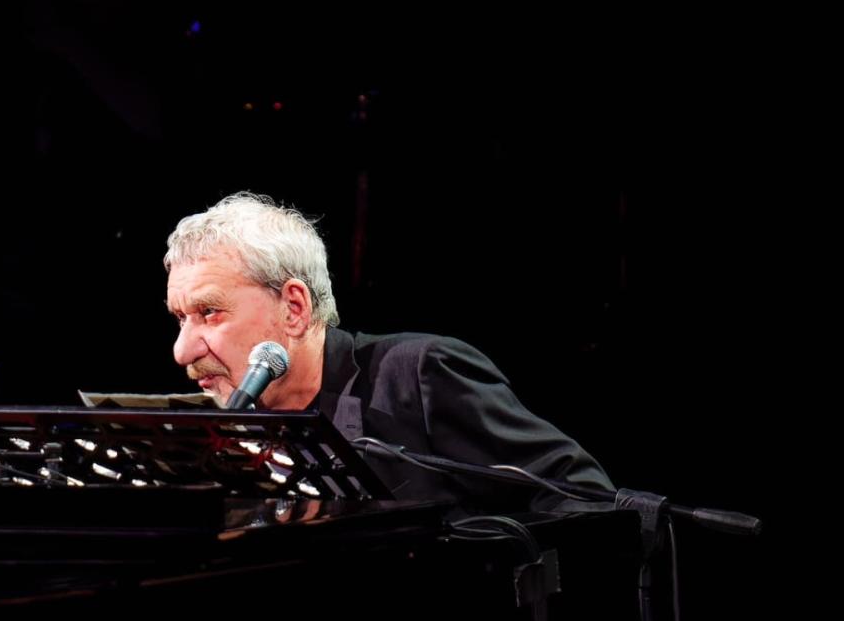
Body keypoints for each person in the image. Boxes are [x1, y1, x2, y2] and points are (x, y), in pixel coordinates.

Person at [164, 191, 613, 514]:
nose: (183, 351)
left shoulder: (417, 376)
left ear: (294, 308)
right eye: (180, 319)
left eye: (210, 312)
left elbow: (583, 499)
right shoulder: (222, 437)